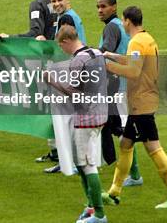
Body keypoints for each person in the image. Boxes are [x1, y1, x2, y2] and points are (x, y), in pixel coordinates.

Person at [102, 6, 167, 210]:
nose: (122, 23)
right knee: (126, 145)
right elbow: (133, 62)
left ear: (128, 21)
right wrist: (110, 55)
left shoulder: (136, 42)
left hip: (141, 104)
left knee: (154, 148)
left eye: (123, 20)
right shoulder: (147, 38)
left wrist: (107, 66)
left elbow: (133, 71)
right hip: (143, 100)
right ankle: (114, 192)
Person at [44, 25, 108, 223]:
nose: (61, 50)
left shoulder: (78, 61)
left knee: (87, 165)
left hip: (86, 118)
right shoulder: (96, 53)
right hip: (101, 112)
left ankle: (99, 214)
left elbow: (75, 94)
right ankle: (90, 206)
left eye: (61, 46)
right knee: (81, 162)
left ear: (65, 42)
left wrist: (51, 80)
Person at [0, 0, 56, 164]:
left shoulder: (36, 6)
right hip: (61, 55)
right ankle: (59, 149)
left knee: (48, 106)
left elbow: (35, 32)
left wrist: (10, 38)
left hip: (46, 60)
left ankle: (58, 151)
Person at [40, 0, 90, 174]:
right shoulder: (69, 16)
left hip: (70, 71)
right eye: (53, 1)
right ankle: (70, 160)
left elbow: (64, 45)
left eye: (60, 0)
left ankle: (73, 162)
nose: (56, 4)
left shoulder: (67, 19)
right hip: (75, 69)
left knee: (66, 120)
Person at [96, 0, 142, 186]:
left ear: (114, 7)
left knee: (125, 131)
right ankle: (132, 172)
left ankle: (134, 175)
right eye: (98, 7)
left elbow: (104, 52)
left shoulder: (111, 28)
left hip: (118, 86)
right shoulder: (120, 27)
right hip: (126, 83)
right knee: (124, 129)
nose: (100, 10)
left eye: (103, 6)